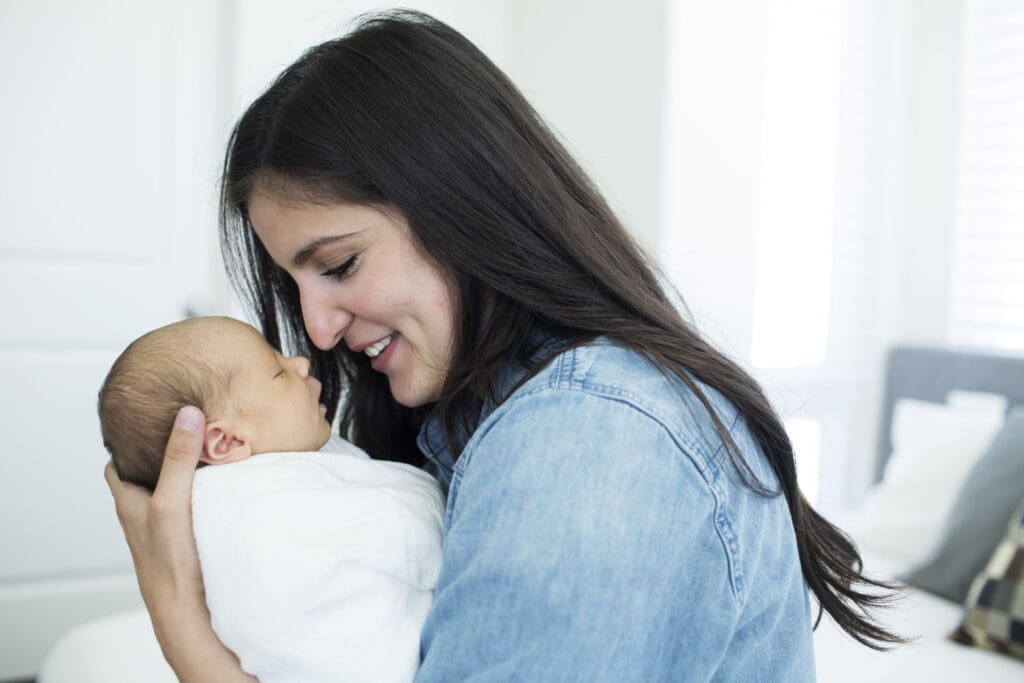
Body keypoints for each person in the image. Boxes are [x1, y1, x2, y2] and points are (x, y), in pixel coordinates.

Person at [105, 9, 904, 682]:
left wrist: (192, 643)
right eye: (297, 284)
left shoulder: (592, 438)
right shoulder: (485, 416)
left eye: (341, 264)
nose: (315, 332)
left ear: (461, 205)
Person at [99, 316, 444, 682]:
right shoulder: (264, 512)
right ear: (225, 442)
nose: (300, 363)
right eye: (279, 372)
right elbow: (405, 532)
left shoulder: (265, 475)